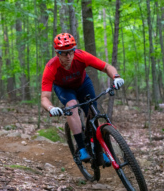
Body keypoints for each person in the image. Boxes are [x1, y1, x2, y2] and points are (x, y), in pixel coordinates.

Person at [41, 33, 124, 163]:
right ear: (57, 53)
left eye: (71, 52)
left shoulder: (81, 56)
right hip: (64, 89)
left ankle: (98, 149)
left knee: (92, 111)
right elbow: (44, 98)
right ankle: (81, 148)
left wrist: (116, 77)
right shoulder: (51, 67)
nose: (69, 56)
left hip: (83, 84)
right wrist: (51, 108)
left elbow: (107, 67)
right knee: (72, 106)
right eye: (64, 53)